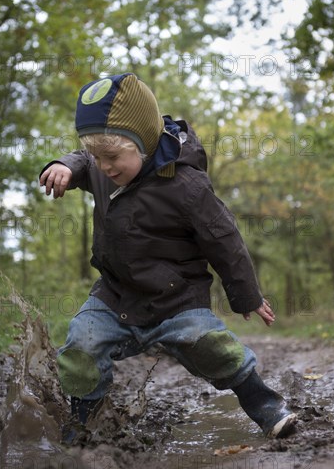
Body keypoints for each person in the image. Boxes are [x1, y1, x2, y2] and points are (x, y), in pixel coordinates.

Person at [39, 72, 296, 443]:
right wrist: (65, 164)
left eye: (111, 156)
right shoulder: (100, 168)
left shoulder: (186, 185)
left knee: (214, 348)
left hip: (178, 299)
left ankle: (268, 409)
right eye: (96, 157)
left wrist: (247, 295)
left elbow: (224, 240)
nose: (104, 166)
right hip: (115, 294)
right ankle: (81, 425)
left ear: (143, 143)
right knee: (81, 345)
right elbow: (82, 159)